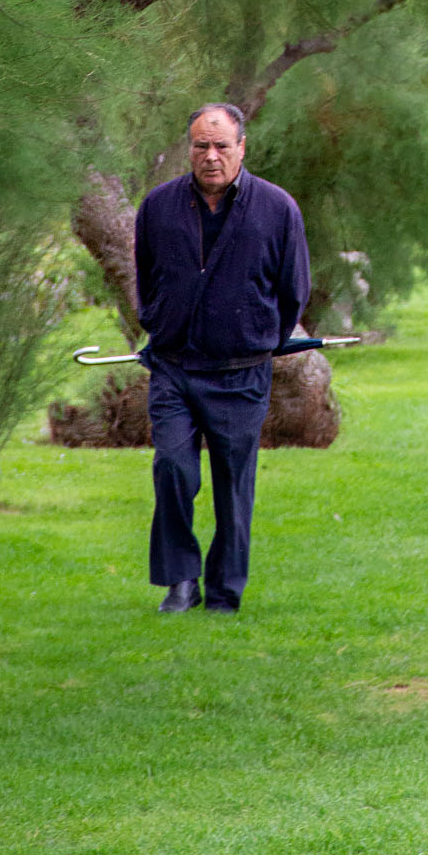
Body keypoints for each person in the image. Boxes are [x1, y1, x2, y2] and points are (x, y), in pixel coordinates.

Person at [134, 103, 310, 615]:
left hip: (239, 373)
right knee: (172, 469)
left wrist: (258, 338)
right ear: (189, 148)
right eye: (200, 146)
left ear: (241, 148)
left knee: (234, 487)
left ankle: (225, 593)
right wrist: (161, 324)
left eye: (221, 146)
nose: (210, 157)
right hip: (172, 368)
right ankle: (180, 581)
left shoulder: (277, 209)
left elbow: (294, 289)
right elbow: (145, 279)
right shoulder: (159, 207)